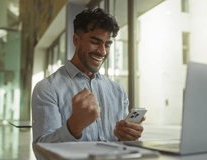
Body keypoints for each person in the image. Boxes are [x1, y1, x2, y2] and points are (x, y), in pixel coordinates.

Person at [32, 8, 144, 158]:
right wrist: (73, 126)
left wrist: (127, 136)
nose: (102, 51)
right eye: (95, 42)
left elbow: (120, 144)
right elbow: (42, 152)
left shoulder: (118, 91)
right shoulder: (47, 88)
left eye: (108, 44)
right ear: (76, 40)